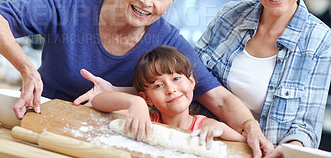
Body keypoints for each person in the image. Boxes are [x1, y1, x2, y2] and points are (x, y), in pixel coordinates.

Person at [0, 0, 271, 156]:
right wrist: (27, 70)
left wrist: (251, 129)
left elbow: (217, 98)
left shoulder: (167, 40)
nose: (147, 1)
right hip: (39, 133)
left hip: (106, 149)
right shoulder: (72, 6)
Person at [195, 0, 331, 157]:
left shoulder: (320, 41)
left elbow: (306, 127)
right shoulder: (230, 15)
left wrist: (287, 151)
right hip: (202, 145)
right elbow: (191, 75)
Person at [92, 46, 246, 147]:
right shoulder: (147, 119)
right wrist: (135, 102)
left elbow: (243, 144)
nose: (171, 90)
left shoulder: (203, 126)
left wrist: (220, 128)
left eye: (176, 79)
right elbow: (97, 101)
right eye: (158, 85)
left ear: (191, 81)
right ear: (147, 98)